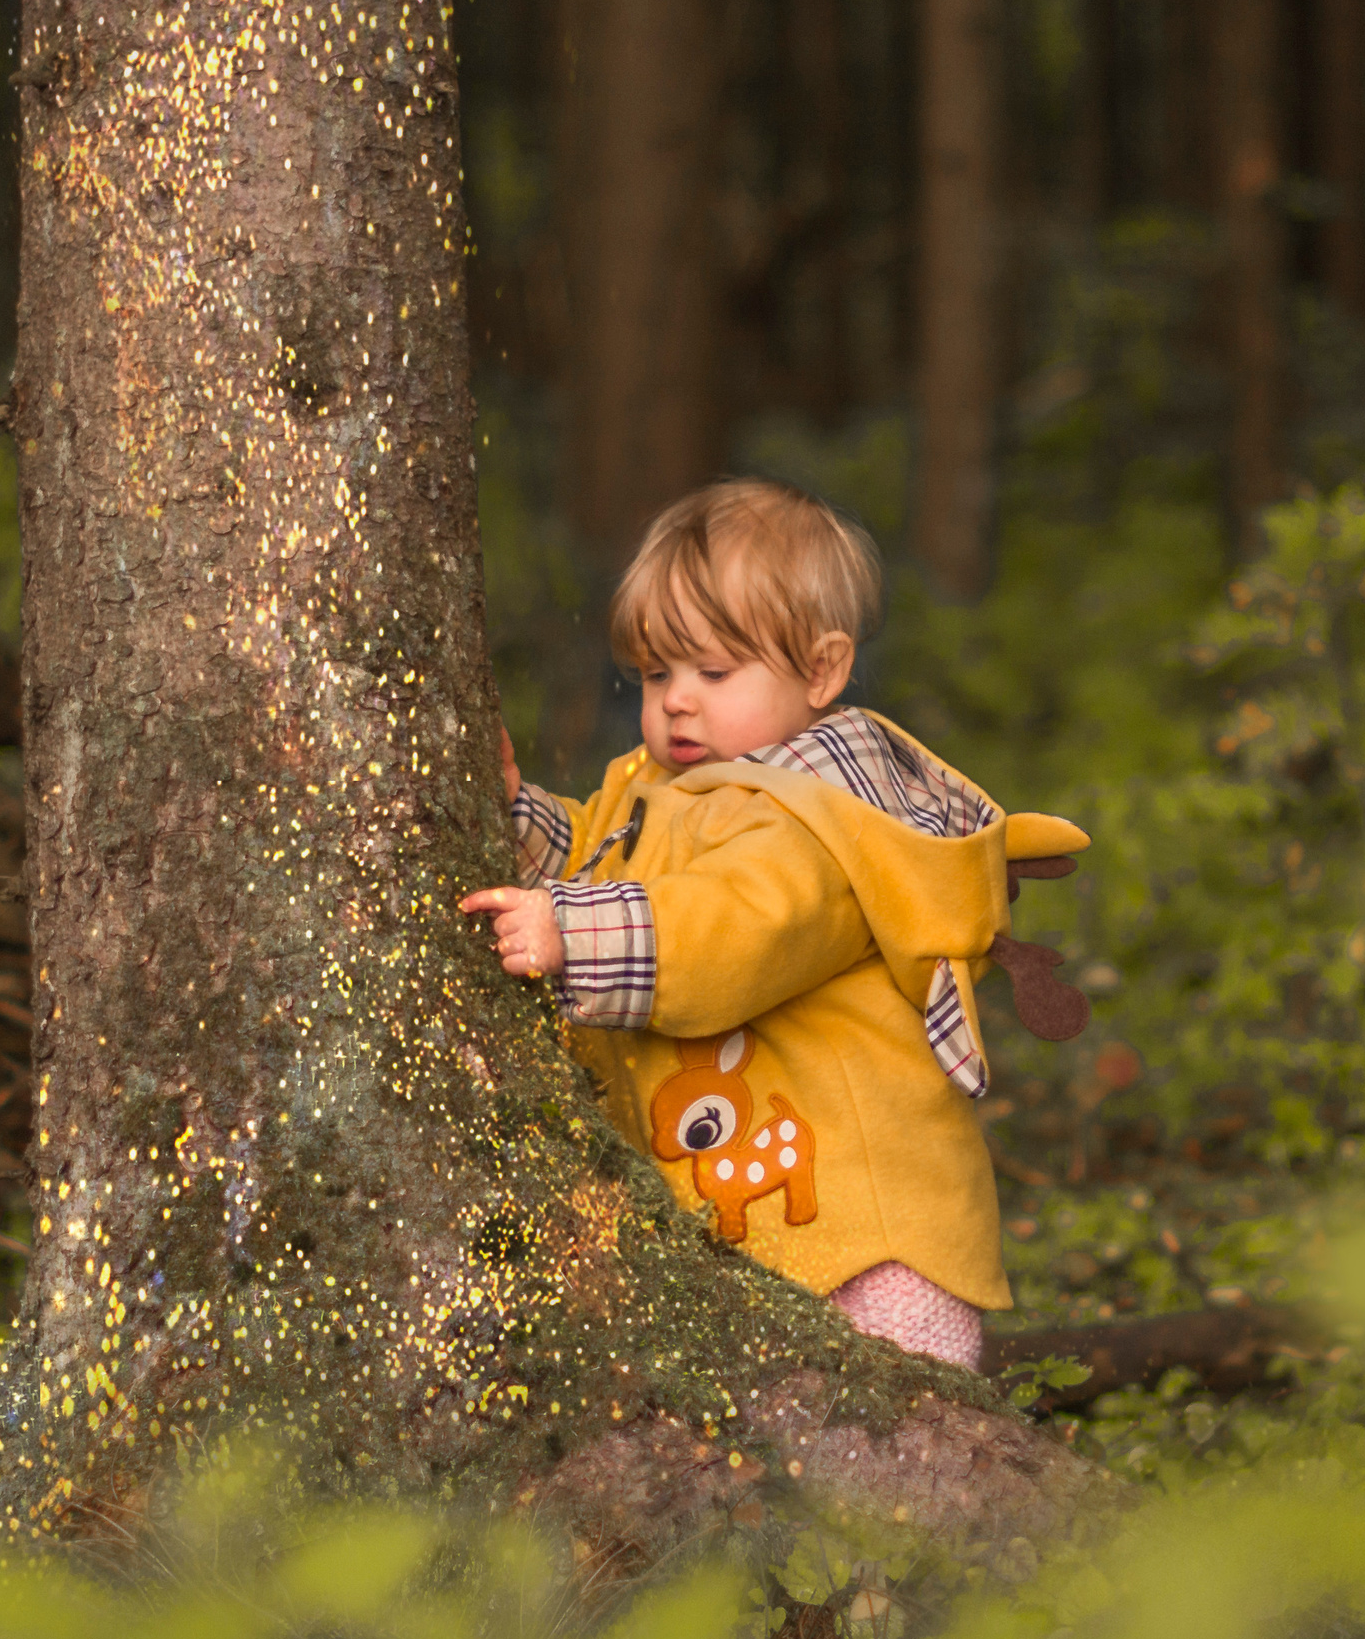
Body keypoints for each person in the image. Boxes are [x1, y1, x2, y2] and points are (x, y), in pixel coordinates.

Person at [459, 479, 1090, 1367]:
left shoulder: (822, 818)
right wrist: (507, 808)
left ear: (823, 670)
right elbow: (598, 855)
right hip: (768, 1235)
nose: (678, 699)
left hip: (871, 1237)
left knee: (890, 1453)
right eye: (654, 673)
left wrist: (572, 933)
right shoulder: (655, 788)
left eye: (714, 673)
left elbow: (736, 928)